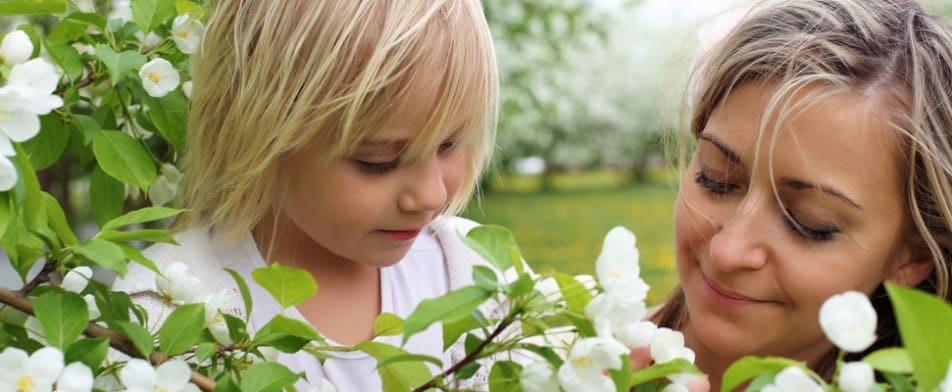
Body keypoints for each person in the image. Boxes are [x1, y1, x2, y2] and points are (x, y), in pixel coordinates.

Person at [113, 0, 501, 390]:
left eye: (451, 144)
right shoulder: (160, 313)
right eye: (378, 160)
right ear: (256, 134)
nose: (432, 195)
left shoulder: (473, 276)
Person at [649, 0, 952, 389]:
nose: (728, 252)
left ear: (913, 258)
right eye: (715, 178)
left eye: (809, 223)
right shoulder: (560, 363)